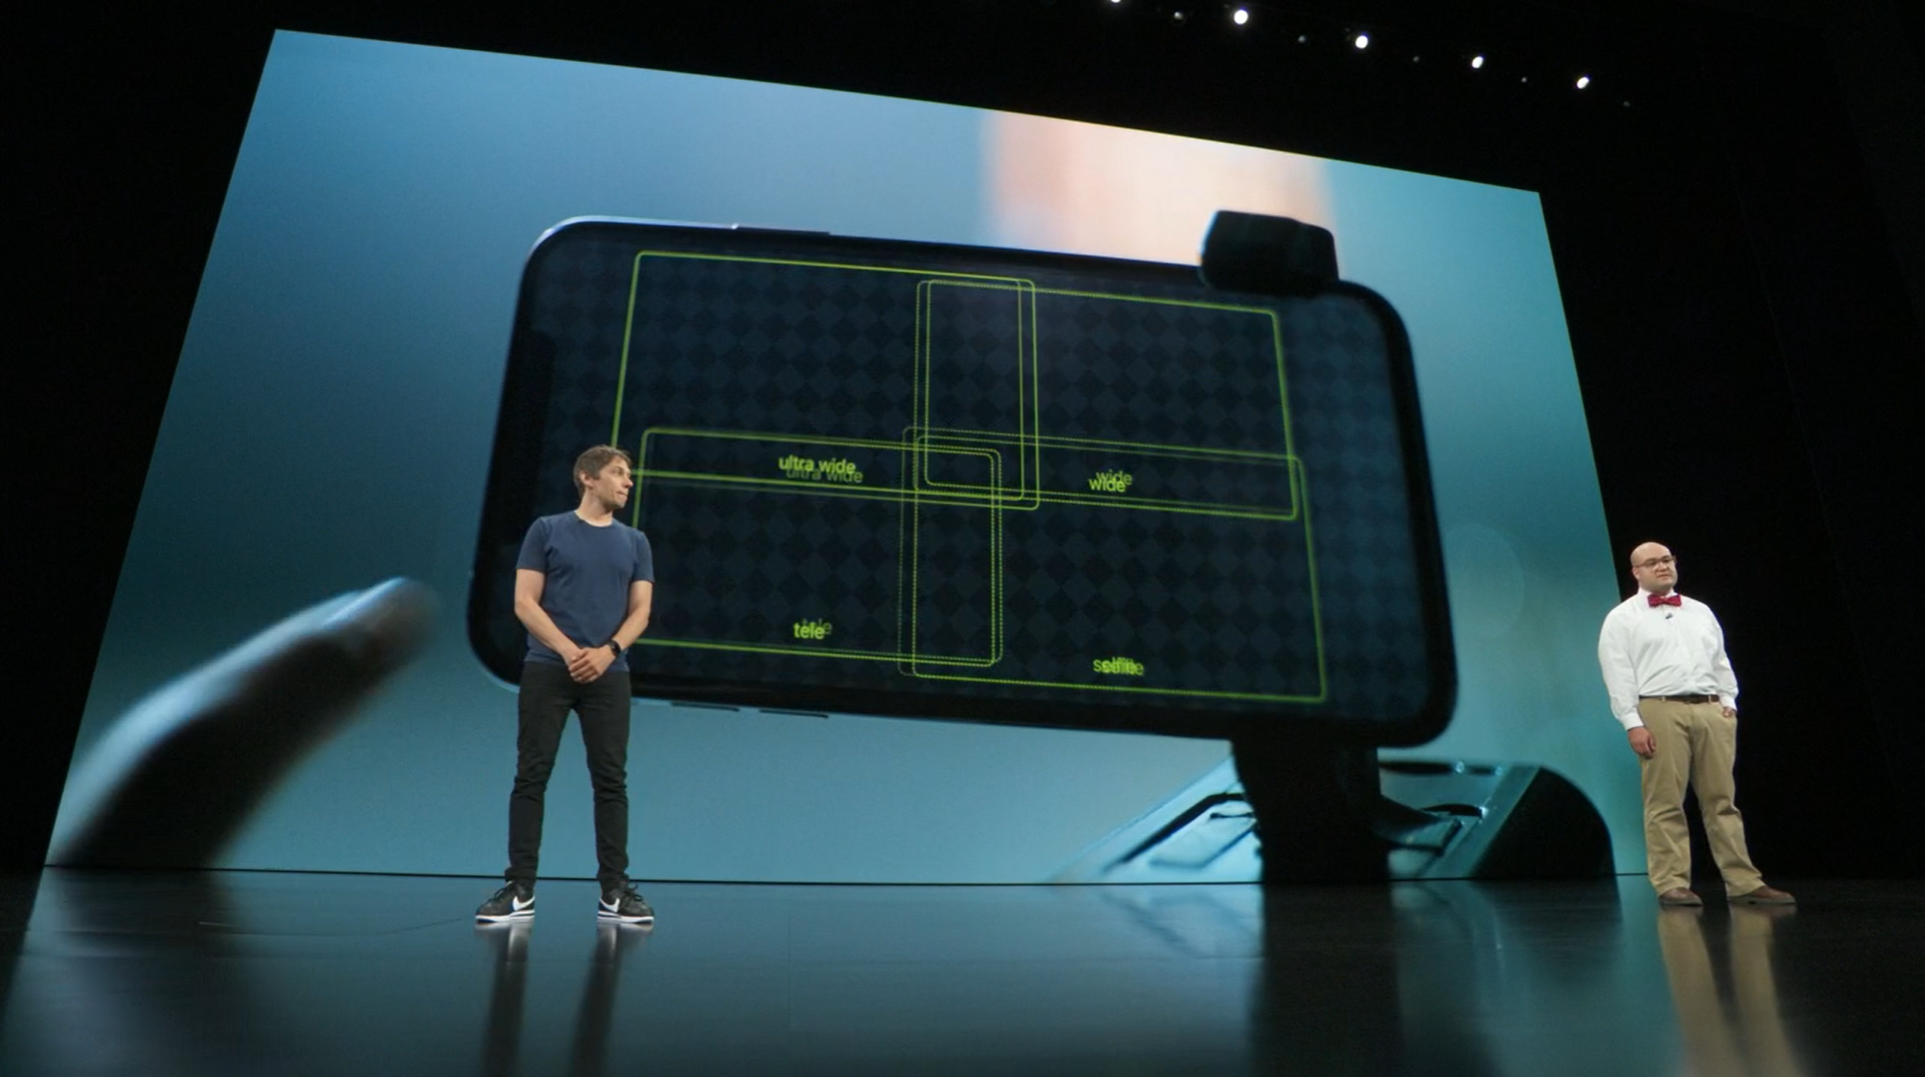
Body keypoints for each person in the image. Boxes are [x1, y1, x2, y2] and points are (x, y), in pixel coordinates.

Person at [477, 446, 656, 925]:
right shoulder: (547, 530)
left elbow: (641, 611)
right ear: (587, 477)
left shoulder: (636, 542)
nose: (628, 482)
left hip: (609, 674)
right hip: (547, 670)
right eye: (619, 473)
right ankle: (520, 888)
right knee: (531, 775)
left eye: (629, 475)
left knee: (611, 781)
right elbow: (524, 602)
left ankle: (614, 891)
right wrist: (569, 650)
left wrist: (607, 651)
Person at [1597, 541, 1794, 907]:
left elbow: (1720, 660)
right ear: (1636, 572)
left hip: (1710, 709)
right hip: (1659, 708)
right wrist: (1632, 722)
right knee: (1665, 801)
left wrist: (1728, 702)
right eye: (1651, 563)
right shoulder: (1622, 618)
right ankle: (1671, 882)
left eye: (1667, 560)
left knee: (1722, 800)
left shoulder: (1700, 611)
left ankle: (1743, 881)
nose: (1662, 567)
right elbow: (1618, 673)